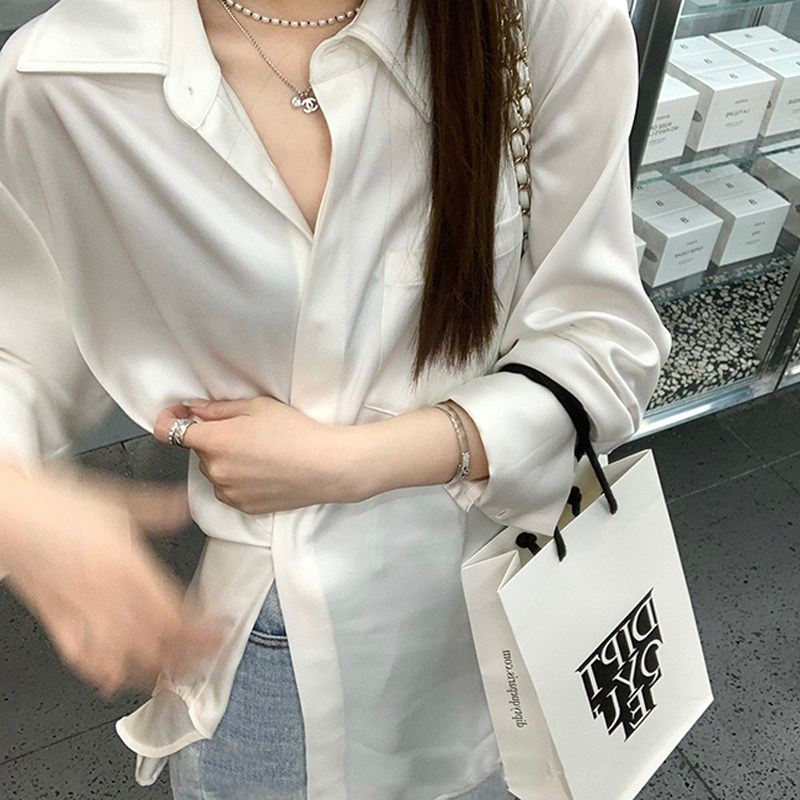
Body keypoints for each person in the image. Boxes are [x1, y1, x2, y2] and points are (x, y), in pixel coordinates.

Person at [0, 0, 671, 797]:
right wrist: (18, 504)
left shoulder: (539, 19)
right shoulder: (71, 72)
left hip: (509, 608)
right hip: (278, 646)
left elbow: (603, 341)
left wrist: (352, 462)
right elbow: (16, 342)